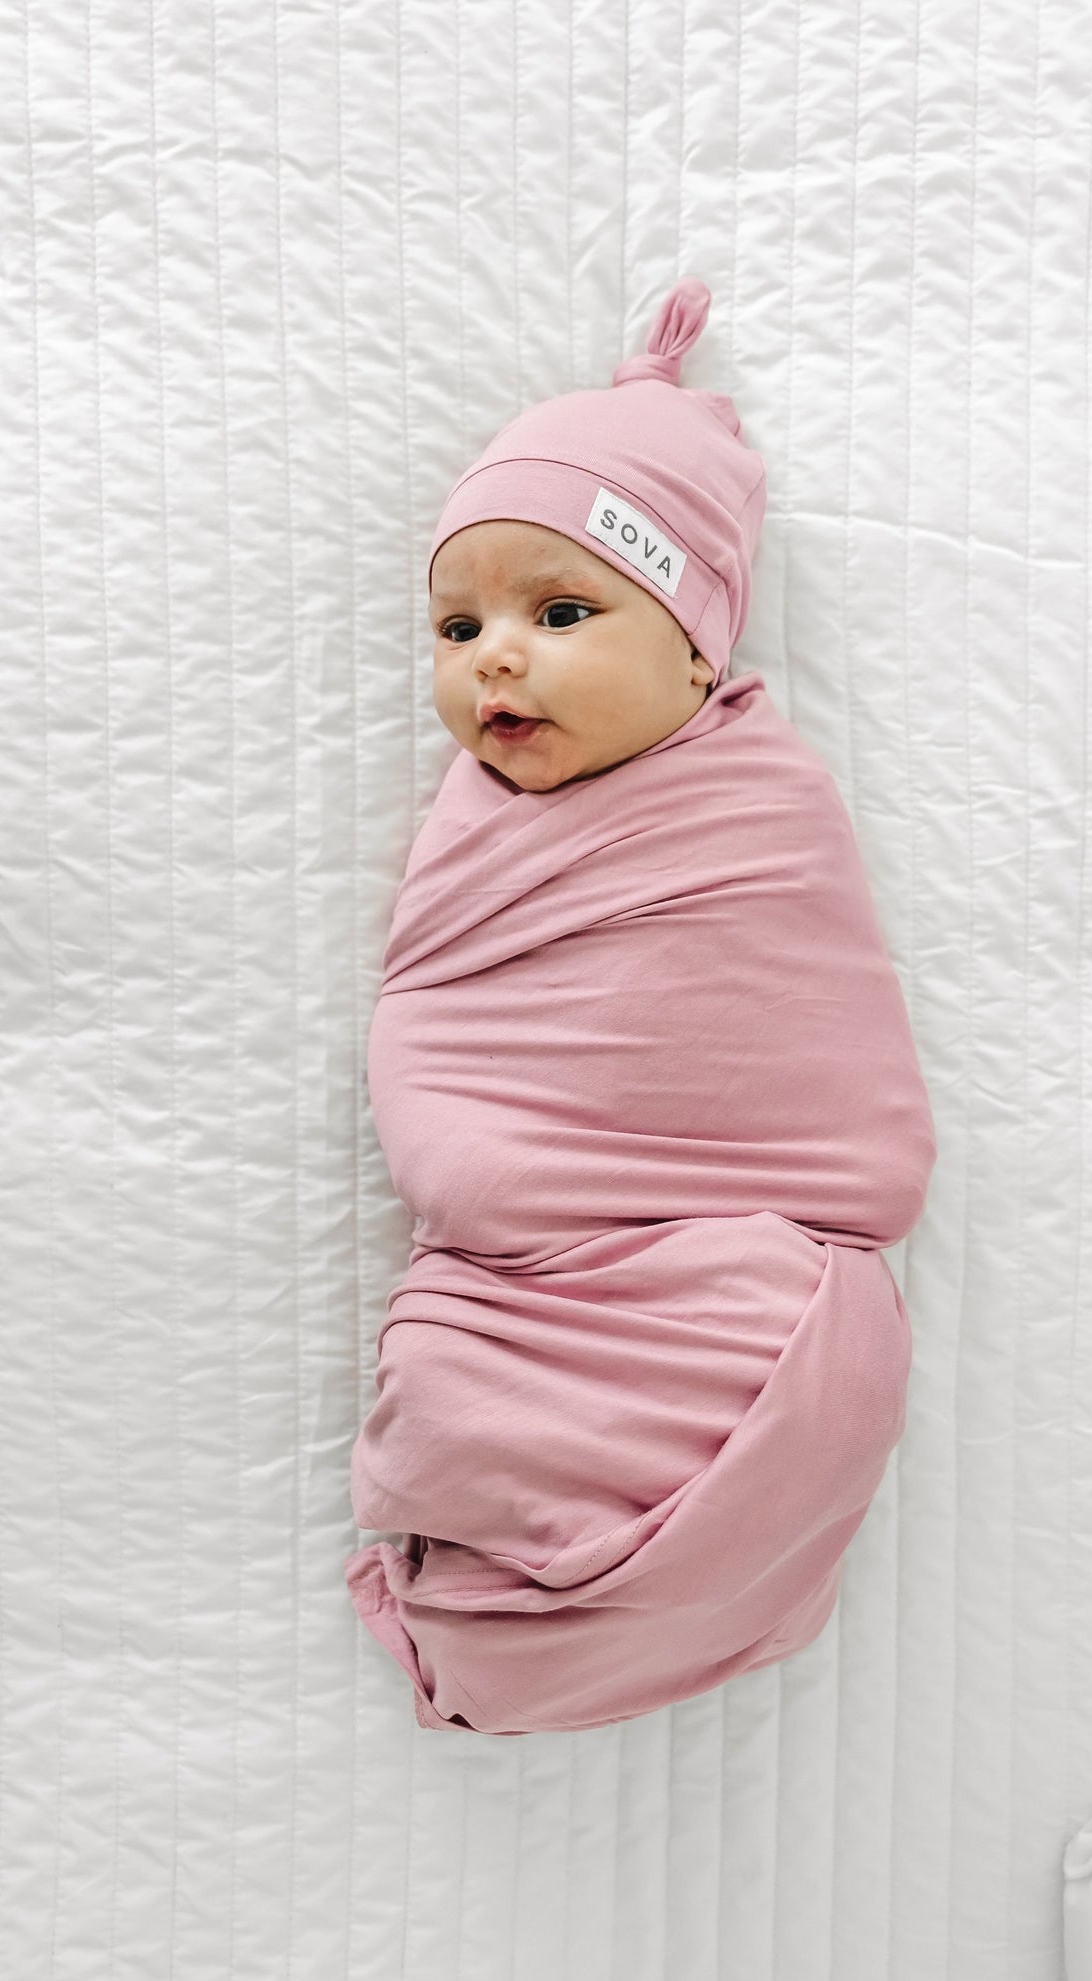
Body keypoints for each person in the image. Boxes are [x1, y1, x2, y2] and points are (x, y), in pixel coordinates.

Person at [343, 279, 936, 1734]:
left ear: (693, 648)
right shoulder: (475, 824)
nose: (491, 654)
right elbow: (450, 1008)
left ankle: (649, 1568)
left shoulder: (750, 810)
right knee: (460, 1392)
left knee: (776, 1317)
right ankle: (506, 1598)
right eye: (456, 621)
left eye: (559, 611)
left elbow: (817, 1076)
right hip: (523, 1279)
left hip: (727, 1265)